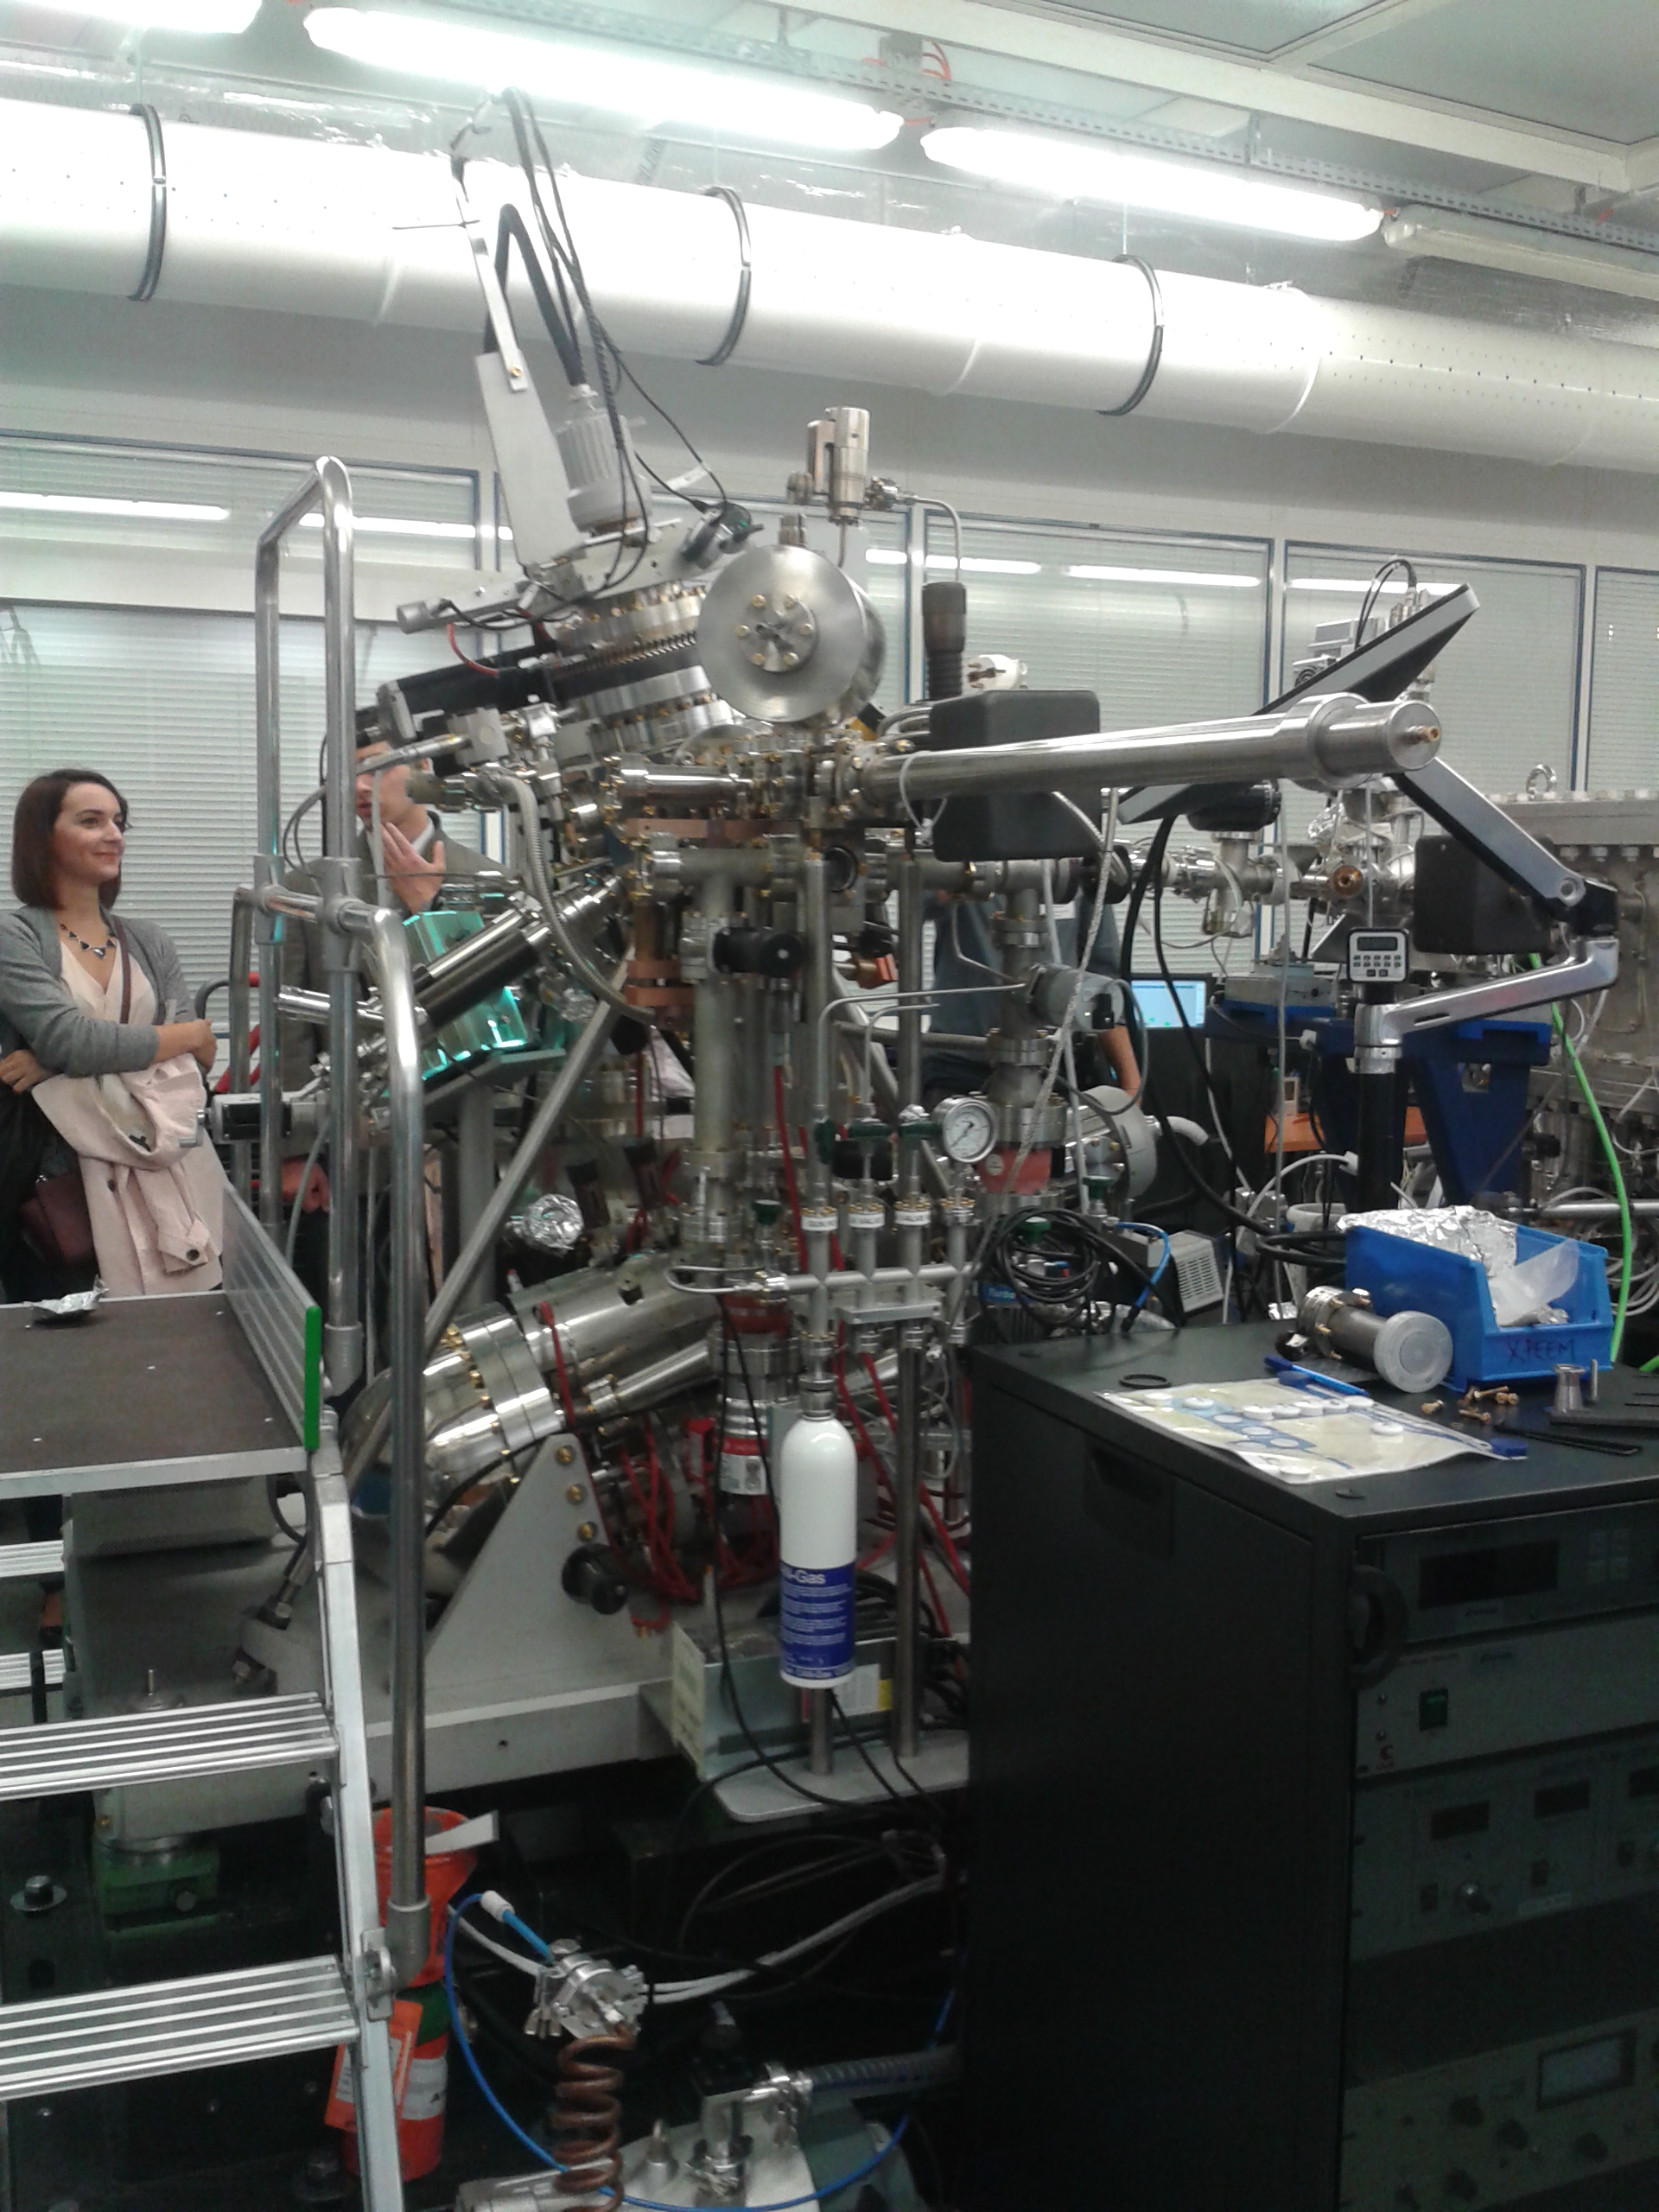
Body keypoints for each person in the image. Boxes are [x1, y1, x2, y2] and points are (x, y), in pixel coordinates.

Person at [0, 768, 225, 1301]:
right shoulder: (16, 936)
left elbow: (195, 1067)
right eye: (91, 821)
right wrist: (184, 1033)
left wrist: (54, 1065)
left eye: (118, 821)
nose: (114, 835)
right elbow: (71, 1040)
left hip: (167, 1167)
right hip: (60, 1188)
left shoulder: (149, 941)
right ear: (43, 837)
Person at [278, 734, 499, 1089]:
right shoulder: (309, 887)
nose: (360, 786)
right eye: (348, 773)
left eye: (377, 768)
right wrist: (306, 1113)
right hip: (351, 1103)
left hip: (463, 1096)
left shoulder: (487, 880)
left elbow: (496, 1008)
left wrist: (430, 911)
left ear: (423, 767)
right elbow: (293, 1032)